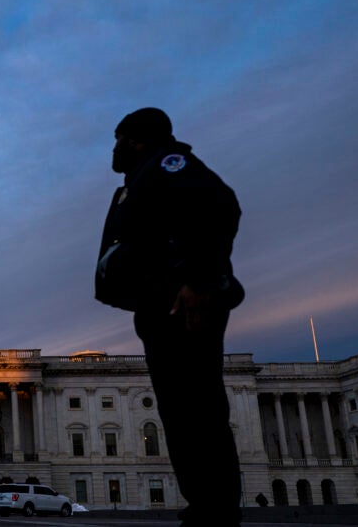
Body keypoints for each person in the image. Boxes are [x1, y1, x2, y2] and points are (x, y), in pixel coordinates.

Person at [95, 108, 243, 527]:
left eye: (118, 139)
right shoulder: (139, 179)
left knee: (198, 408)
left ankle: (217, 511)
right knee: (180, 411)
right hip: (160, 306)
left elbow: (221, 206)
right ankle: (205, 506)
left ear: (137, 140)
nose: (114, 148)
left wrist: (198, 280)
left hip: (186, 305)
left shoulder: (168, 165)